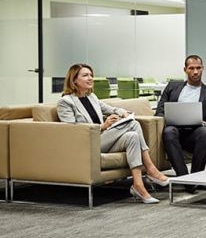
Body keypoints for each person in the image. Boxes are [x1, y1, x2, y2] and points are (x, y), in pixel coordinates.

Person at [56, 63, 169, 204]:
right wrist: (103, 126)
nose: (90, 78)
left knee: (132, 136)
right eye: (85, 75)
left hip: (102, 141)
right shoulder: (65, 102)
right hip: (87, 144)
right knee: (133, 124)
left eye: (91, 75)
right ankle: (151, 168)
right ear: (74, 80)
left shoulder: (92, 97)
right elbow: (72, 130)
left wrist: (123, 112)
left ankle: (138, 185)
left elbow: (110, 108)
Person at [155, 55, 206, 193]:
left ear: (203, 69)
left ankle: (195, 178)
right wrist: (169, 118)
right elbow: (159, 112)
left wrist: (205, 124)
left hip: (195, 135)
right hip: (174, 134)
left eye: (198, 68)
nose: (195, 72)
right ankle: (186, 180)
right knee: (169, 131)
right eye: (191, 68)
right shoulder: (172, 87)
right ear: (185, 70)